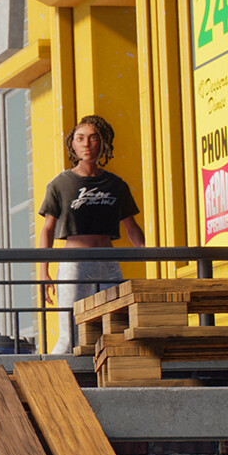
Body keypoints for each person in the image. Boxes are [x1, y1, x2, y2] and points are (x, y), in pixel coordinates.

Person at [39, 115, 145, 355]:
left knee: (116, 326)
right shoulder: (60, 184)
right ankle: (57, 373)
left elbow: (130, 226)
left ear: (103, 142)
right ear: (72, 144)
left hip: (108, 262)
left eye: (93, 138)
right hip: (74, 262)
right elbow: (47, 228)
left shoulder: (116, 185)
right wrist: (44, 271)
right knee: (70, 333)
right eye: (80, 138)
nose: (86, 144)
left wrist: (148, 252)